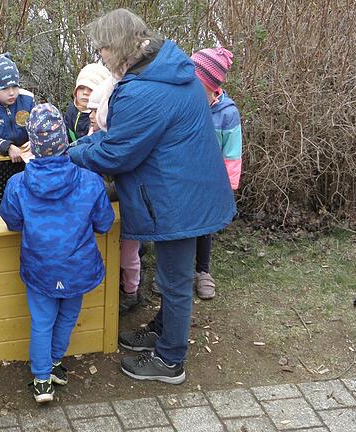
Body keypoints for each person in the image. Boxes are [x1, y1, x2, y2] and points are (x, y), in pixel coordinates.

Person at [68, 8, 235, 384]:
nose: (100, 58)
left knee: (174, 282)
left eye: (102, 50)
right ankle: (162, 332)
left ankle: (170, 360)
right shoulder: (168, 68)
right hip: (186, 188)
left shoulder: (144, 91)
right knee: (171, 275)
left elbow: (116, 153)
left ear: (121, 47)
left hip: (178, 198)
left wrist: (74, 151)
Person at [0, 104, 115, 403]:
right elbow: (104, 223)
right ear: (64, 140)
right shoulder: (90, 181)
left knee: (42, 320)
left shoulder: (18, 184)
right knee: (67, 316)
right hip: (77, 267)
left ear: (33, 145)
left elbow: (13, 222)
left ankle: (41, 379)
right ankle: (52, 363)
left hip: (40, 267)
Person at [86, 77, 143, 315]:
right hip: (106, 211)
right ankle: (111, 289)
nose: (90, 115)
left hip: (129, 210)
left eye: (95, 110)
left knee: (129, 255)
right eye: (89, 110)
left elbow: (122, 175)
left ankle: (131, 292)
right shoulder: (93, 133)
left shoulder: (121, 139)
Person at [190, 46, 243, 300]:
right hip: (186, 177)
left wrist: (229, 188)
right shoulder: (187, 106)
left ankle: (202, 271)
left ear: (210, 85)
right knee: (182, 224)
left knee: (204, 228)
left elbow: (232, 153)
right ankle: (176, 273)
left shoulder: (228, 114)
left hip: (211, 181)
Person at [64, 63, 111, 142]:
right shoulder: (71, 110)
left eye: (91, 89)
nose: (85, 92)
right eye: (81, 88)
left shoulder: (103, 117)